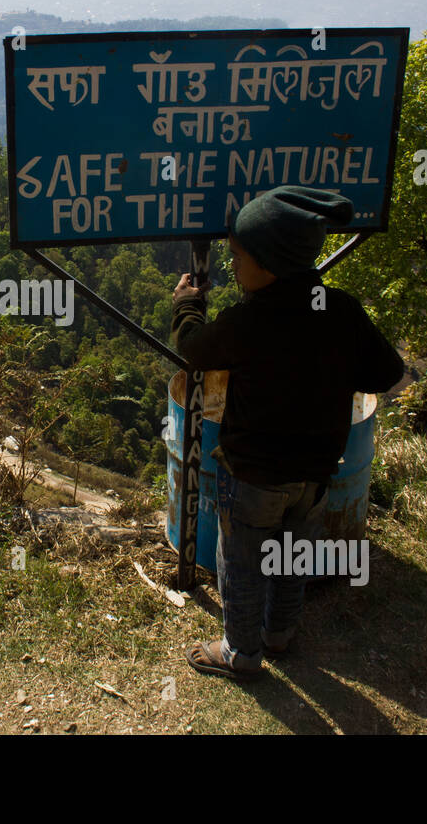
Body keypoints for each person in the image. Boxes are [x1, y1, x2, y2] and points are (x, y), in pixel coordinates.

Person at [171, 185, 404, 682]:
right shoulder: (340, 310)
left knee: (241, 562)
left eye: (238, 257)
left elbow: (194, 349)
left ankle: (241, 653)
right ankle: (280, 635)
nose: (233, 267)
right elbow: (385, 373)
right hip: (314, 474)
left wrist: (188, 305)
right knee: (293, 554)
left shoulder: (251, 321)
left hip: (254, 475)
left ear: (270, 263)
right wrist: (335, 372)